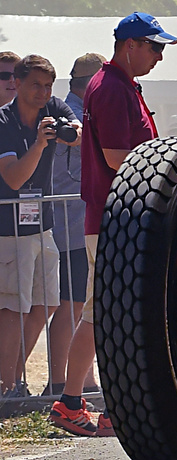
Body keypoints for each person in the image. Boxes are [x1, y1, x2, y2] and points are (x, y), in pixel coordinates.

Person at [50, 14, 175, 437]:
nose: (159, 56)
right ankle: (93, 404)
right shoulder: (110, 89)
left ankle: (75, 402)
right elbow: (118, 157)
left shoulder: (120, 86)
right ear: (130, 45)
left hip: (118, 218)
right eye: (155, 47)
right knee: (110, 312)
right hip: (114, 219)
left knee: (100, 312)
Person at [0, 55, 73, 397]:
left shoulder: (53, 108)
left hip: (42, 226)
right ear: (17, 83)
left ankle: (13, 377)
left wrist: (67, 131)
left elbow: (78, 134)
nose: (43, 93)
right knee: (13, 306)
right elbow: (14, 179)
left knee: (48, 303)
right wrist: (42, 143)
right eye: (35, 85)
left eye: (48, 86)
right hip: (8, 231)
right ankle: (6, 386)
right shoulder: (3, 121)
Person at [47, 53, 104, 396]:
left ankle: (81, 380)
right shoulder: (66, 114)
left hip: (78, 221)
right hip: (71, 222)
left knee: (81, 304)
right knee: (72, 304)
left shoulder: (79, 112)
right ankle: (60, 382)